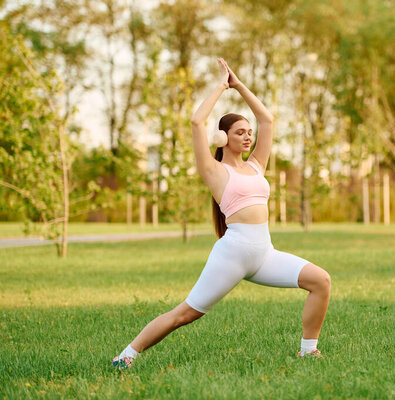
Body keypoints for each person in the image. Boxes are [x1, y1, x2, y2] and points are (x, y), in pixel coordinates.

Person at [112, 58, 331, 369]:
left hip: (264, 255)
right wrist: (220, 86)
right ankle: (126, 356)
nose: (248, 136)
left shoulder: (256, 166)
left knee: (321, 280)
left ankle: (308, 351)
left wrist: (238, 84)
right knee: (185, 314)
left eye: (248, 133)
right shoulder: (214, 171)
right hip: (233, 255)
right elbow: (195, 122)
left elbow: (267, 120)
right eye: (240, 132)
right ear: (224, 137)